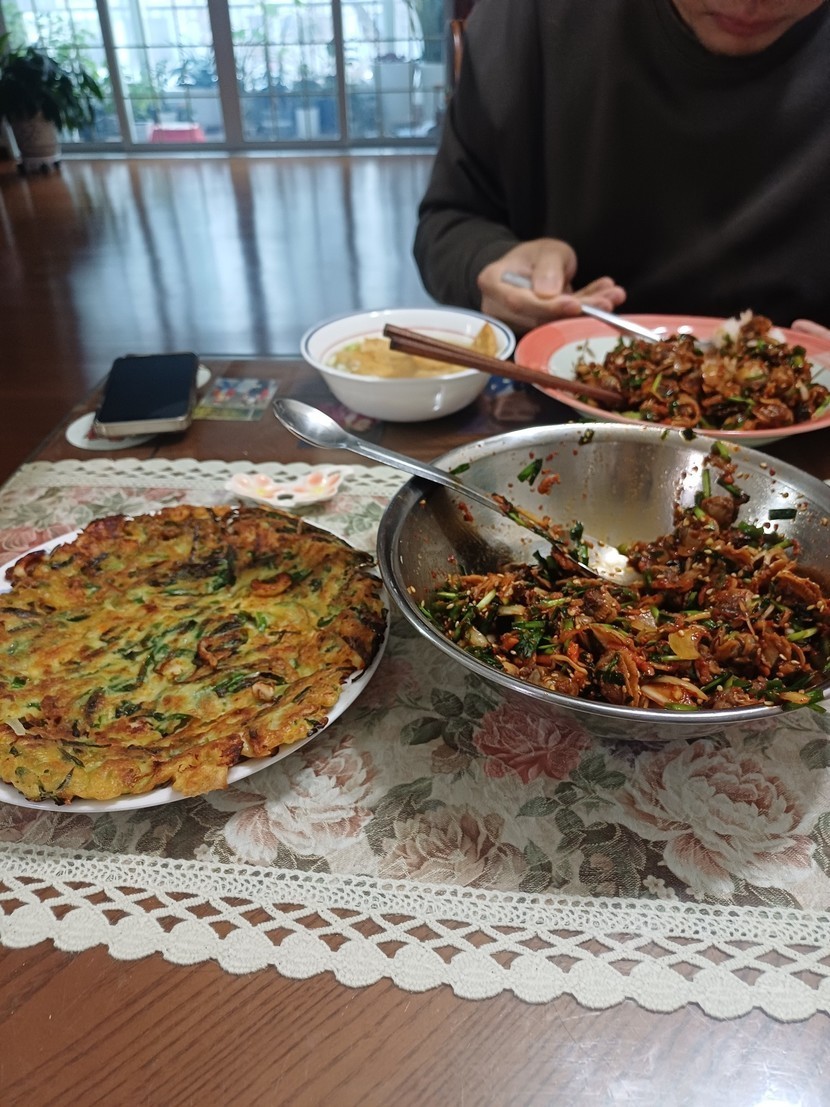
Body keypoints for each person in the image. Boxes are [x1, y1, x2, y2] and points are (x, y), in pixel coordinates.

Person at [413, 0, 830, 341]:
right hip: (559, 391)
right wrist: (491, 263)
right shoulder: (535, 16)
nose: (748, 5)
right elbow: (448, 223)